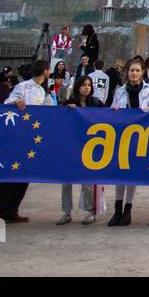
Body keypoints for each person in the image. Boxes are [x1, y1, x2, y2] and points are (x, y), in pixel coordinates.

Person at [0, 60, 53, 225]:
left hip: (32, 135)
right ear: (45, 71)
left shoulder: (42, 90)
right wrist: (16, 102)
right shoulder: (23, 87)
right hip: (18, 135)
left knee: (24, 174)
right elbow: (6, 104)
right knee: (10, 173)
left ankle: (13, 209)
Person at [108, 59, 149, 227]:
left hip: (140, 135)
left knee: (132, 173)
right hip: (122, 134)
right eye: (131, 70)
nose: (134, 73)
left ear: (142, 72)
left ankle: (128, 209)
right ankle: (117, 208)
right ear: (127, 72)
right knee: (120, 172)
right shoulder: (120, 91)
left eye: (137, 70)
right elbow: (113, 109)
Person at [59, 75, 105, 225]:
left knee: (88, 181)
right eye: (84, 85)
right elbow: (60, 121)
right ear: (78, 86)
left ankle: (90, 212)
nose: (87, 87)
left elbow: (107, 118)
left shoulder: (97, 103)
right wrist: (67, 111)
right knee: (66, 181)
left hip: (90, 147)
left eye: (89, 85)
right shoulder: (69, 103)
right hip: (71, 146)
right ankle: (66, 212)